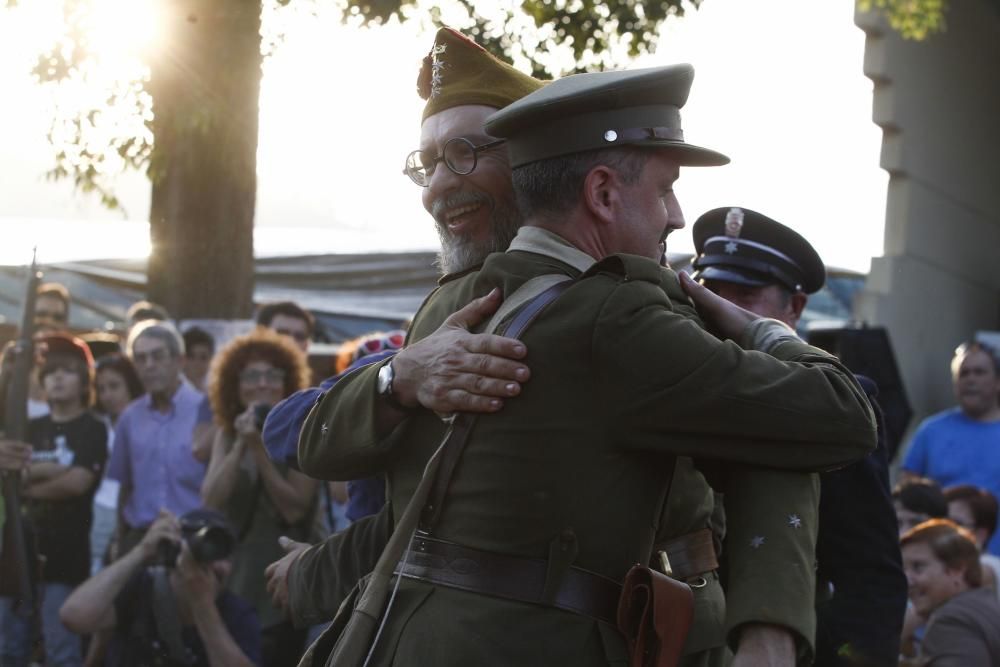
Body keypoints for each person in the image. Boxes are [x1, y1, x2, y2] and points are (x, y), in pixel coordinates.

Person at [268, 28, 842, 667]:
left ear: (534, 161)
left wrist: (769, 628)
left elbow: (787, 444)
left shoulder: (645, 306)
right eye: (425, 164)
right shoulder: (460, 306)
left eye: (463, 153)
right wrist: (398, 377)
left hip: (658, 626)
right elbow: (410, 497)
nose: (436, 187)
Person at [689, 207, 908, 666]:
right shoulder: (676, 383)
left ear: (795, 308)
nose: (722, 311)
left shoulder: (840, 405)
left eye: (746, 295)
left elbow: (868, 572)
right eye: (710, 292)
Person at [201, 328, 317, 665]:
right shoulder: (225, 432)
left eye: (272, 374)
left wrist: (259, 449)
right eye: (251, 375)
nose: (262, 383)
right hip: (236, 580)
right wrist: (240, 443)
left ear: (288, 382)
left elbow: (294, 509)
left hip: (285, 584)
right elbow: (210, 499)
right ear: (235, 387)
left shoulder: (303, 432)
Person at [0, 333, 108, 667]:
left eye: (67, 371)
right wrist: (54, 469)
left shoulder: (93, 428)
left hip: (66, 560)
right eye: (50, 372)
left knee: (61, 651)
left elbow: (78, 483)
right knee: (9, 649)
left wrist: (29, 481)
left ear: (83, 380)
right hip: (17, 555)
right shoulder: (29, 426)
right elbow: (10, 475)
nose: (57, 377)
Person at [59, 509, 261, 667]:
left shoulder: (238, 614)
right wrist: (141, 551)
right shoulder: (143, 586)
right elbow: (73, 616)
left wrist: (202, 604)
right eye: (206, 552)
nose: (216, 565)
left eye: (223, 554)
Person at [106, 320, 206, 555]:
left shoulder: (206, 411)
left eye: (157, 356)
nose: (149, 365)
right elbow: (125, 487)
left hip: (193, 539)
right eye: (140, 359)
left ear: (179, 361)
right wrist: (120, 540)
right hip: (141, 539)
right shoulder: (129, 418)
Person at [901, 341, 1000, 555]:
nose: (971, 379)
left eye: (979, 372)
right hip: (940, 558)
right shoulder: (931, 430)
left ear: (997, 381)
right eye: (963, 373)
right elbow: (908, 498)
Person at [899, 519, 1000, 666]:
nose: (907, 580)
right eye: (903, 569)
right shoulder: (986, 604)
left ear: (957, 570)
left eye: (918, 567)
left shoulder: (951, 620)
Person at [90, 353, 144, 573]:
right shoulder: (97, 426)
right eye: (101, 389)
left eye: (114, 386)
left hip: (132, 516)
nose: (107, 395)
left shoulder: (145, 425)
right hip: (99, 513)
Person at [944, 484, 1000, 592]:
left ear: (981, 534)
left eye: (956, 523)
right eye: (940, 521)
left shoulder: (989, 565)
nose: (943, 528)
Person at [182, 327, 215, 392]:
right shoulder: (169, 394)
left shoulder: (215, 396)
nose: (197, 363)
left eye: (203, 357)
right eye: (191, 357)